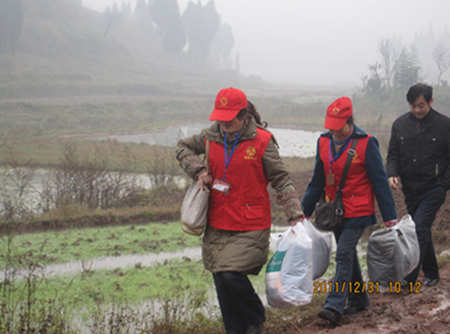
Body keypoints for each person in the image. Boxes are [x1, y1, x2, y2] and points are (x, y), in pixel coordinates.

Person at [175, 87, 304, 334]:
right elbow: (182, 147)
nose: (225, 123)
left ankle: (255, 316)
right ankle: (236, 330)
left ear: (244, 115)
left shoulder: (263, 141)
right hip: (217, 221)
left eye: (231, 118)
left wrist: (295, 215)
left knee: (232, 275)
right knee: (220, 279)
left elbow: (281, 180)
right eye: (221, 118)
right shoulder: (210, 136)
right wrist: (198, 170)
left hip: (250, 223)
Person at [301, 96, 397, 325]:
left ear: (350, 121)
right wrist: (303, 212)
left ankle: (333, 306)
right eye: (331, 128)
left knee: (343, 252)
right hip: (335, 211)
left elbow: (380, 181)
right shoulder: (323, 142)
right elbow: (317, 180)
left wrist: (390, 217)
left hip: (359, 209)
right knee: (349, 256)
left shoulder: (366, 143)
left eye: (339, 127)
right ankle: (359, 299)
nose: (335, 132)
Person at [386, 83, 450, 287]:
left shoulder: (445, 125)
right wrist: (392, 173)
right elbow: (393, 155)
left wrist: (444, 185)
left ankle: (408, 278)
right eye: (413, 105)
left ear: (430, 101)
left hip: (434, 186)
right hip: (411, 189)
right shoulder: (399, 125)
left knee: (418, 228)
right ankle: (432, 273)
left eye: (421, 105)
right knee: (421, 229)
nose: (417, 110)